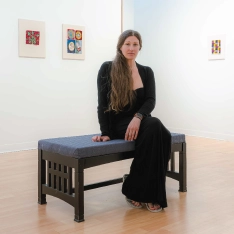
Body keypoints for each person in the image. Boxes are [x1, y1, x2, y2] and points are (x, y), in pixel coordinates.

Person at [92, 29, 171, 212]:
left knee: (161, 133)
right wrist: (105, 133)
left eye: (135, 44)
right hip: (119, 124)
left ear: (140, 47)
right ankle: (145, 192)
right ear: (120, 46)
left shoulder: (146, 71)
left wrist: (138, 117)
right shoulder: (107, 68)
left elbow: (151, 100)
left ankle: (134, 185)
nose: (131, 48)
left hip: (140, 121)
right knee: (157, 127)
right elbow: (102, 104)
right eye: (127, 44)